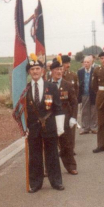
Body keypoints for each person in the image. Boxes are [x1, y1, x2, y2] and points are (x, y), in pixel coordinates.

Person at [23, 54, 65, 192]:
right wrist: (24, 127)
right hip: (33, 127)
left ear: (42, 71)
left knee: (52, 154)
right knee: (34, 156)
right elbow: (23, 110)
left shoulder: (51, 87)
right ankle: (35, 183)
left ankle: (56, 181)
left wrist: (60, 127)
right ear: (29, 72)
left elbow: (58, 107)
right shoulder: (26, 89)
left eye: (37, 69)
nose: (35, 71)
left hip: (49, 126)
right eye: (32, 69)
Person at [50, 56, 78, 175]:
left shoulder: (67, 84)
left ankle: (71, 166)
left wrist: (73, 117)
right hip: (50, 118)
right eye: (56, 70)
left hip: (65, 118)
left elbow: (74, 102)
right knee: (50, 144)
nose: (59, 72)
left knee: (66, 144)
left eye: (61, 70)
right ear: (52, 71)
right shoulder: (47, 85)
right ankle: (49, 169)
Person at [77, 55, 97, 135]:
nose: (86, 64)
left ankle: (94, 128)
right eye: (85, 62)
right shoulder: (80, 71)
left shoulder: (95, 70)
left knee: (94, 111)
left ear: (91, 63)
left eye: (88, 62)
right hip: (84, 94)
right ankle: (85, 128)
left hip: (93, 94)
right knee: (85, 112)